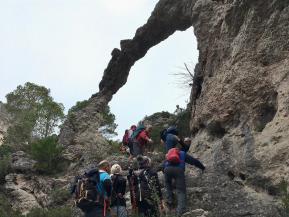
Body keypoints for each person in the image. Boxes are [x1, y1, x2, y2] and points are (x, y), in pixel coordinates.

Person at [164, 148, 205, 217]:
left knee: (168, 183)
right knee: (181, 191)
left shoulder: (169, 154)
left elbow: (163, 165)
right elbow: (193, 161)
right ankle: (180, 212)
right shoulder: (182, 153)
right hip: (179, 170)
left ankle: (170, 200)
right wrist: (202, 167)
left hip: (167, 170)